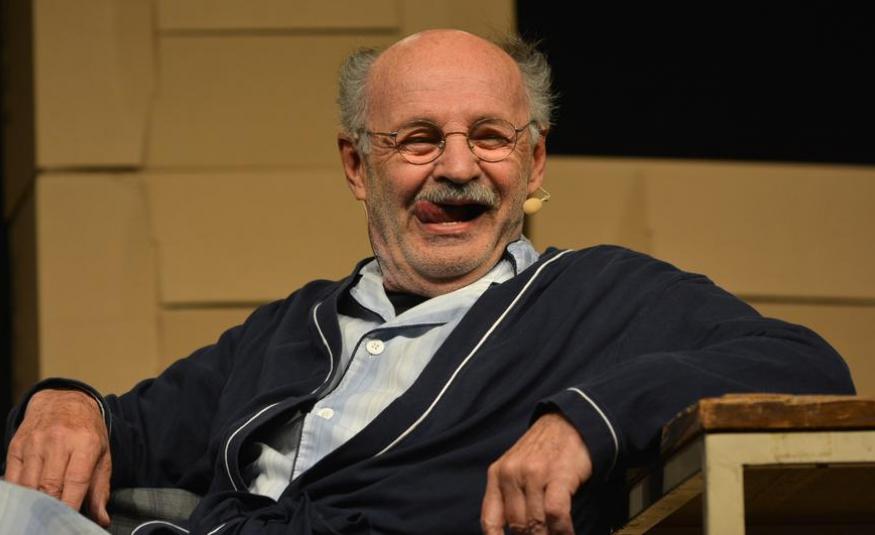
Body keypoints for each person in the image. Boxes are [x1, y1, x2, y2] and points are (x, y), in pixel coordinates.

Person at [1, 29, 855, 535]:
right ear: (356, 165)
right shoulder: (290, 328)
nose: (457, 167)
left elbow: (804, 363)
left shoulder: (594, 295)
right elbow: (129, 427)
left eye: (489, 136)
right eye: (416, 139)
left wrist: (584, 418)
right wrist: (68, 402)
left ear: (533, 161)